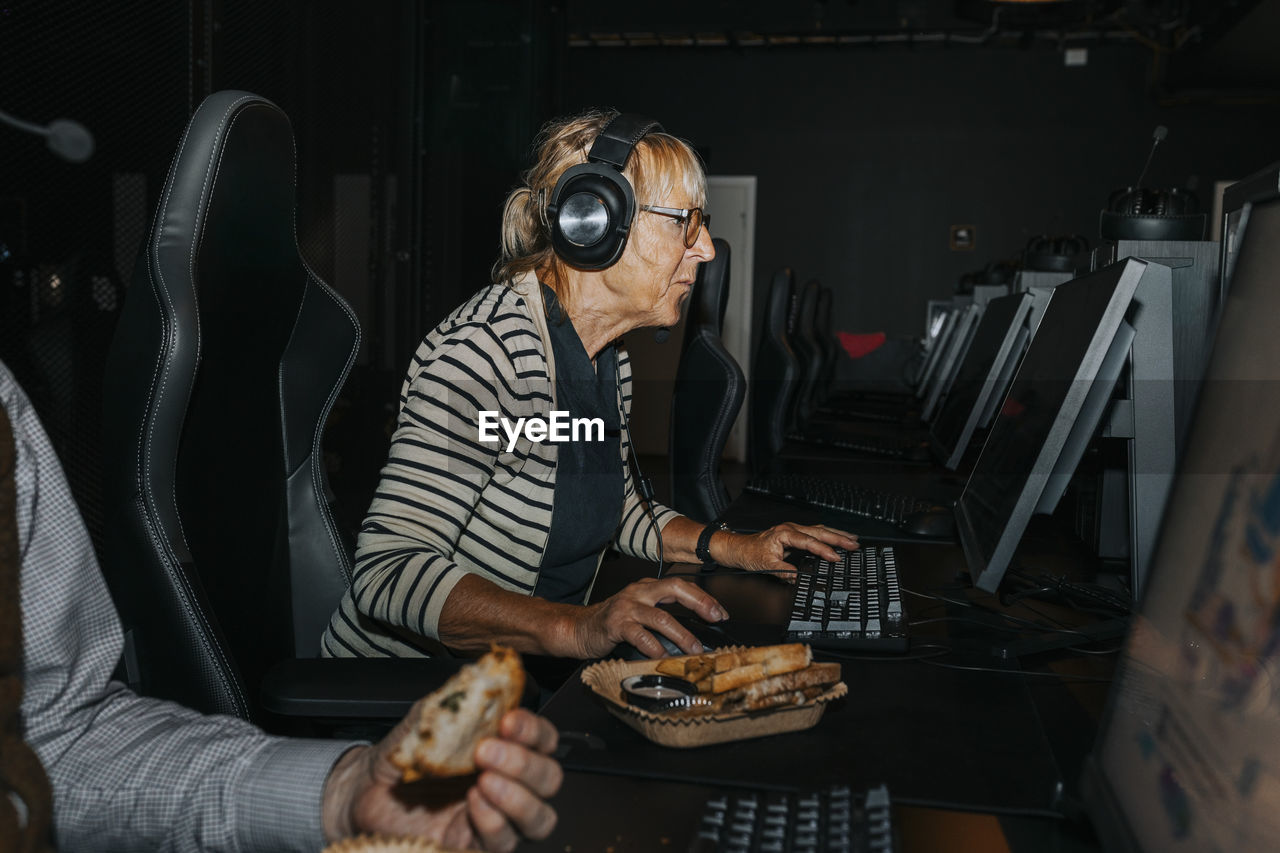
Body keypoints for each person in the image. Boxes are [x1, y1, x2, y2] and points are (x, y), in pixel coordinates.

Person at [321, 110, 857, 663]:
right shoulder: (485, 355)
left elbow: (615, 506)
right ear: (595, 222)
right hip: (406, 703)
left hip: (516, 676)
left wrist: (738, 547)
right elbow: (388, 571)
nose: (706, 249)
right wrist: (578, 628)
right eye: (685, 223)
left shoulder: (607, 359)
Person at [2, 359, 561, 853]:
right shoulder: (478, 351)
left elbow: (55, 742)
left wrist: (342, 793)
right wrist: (566, 627)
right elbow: (392, 573)